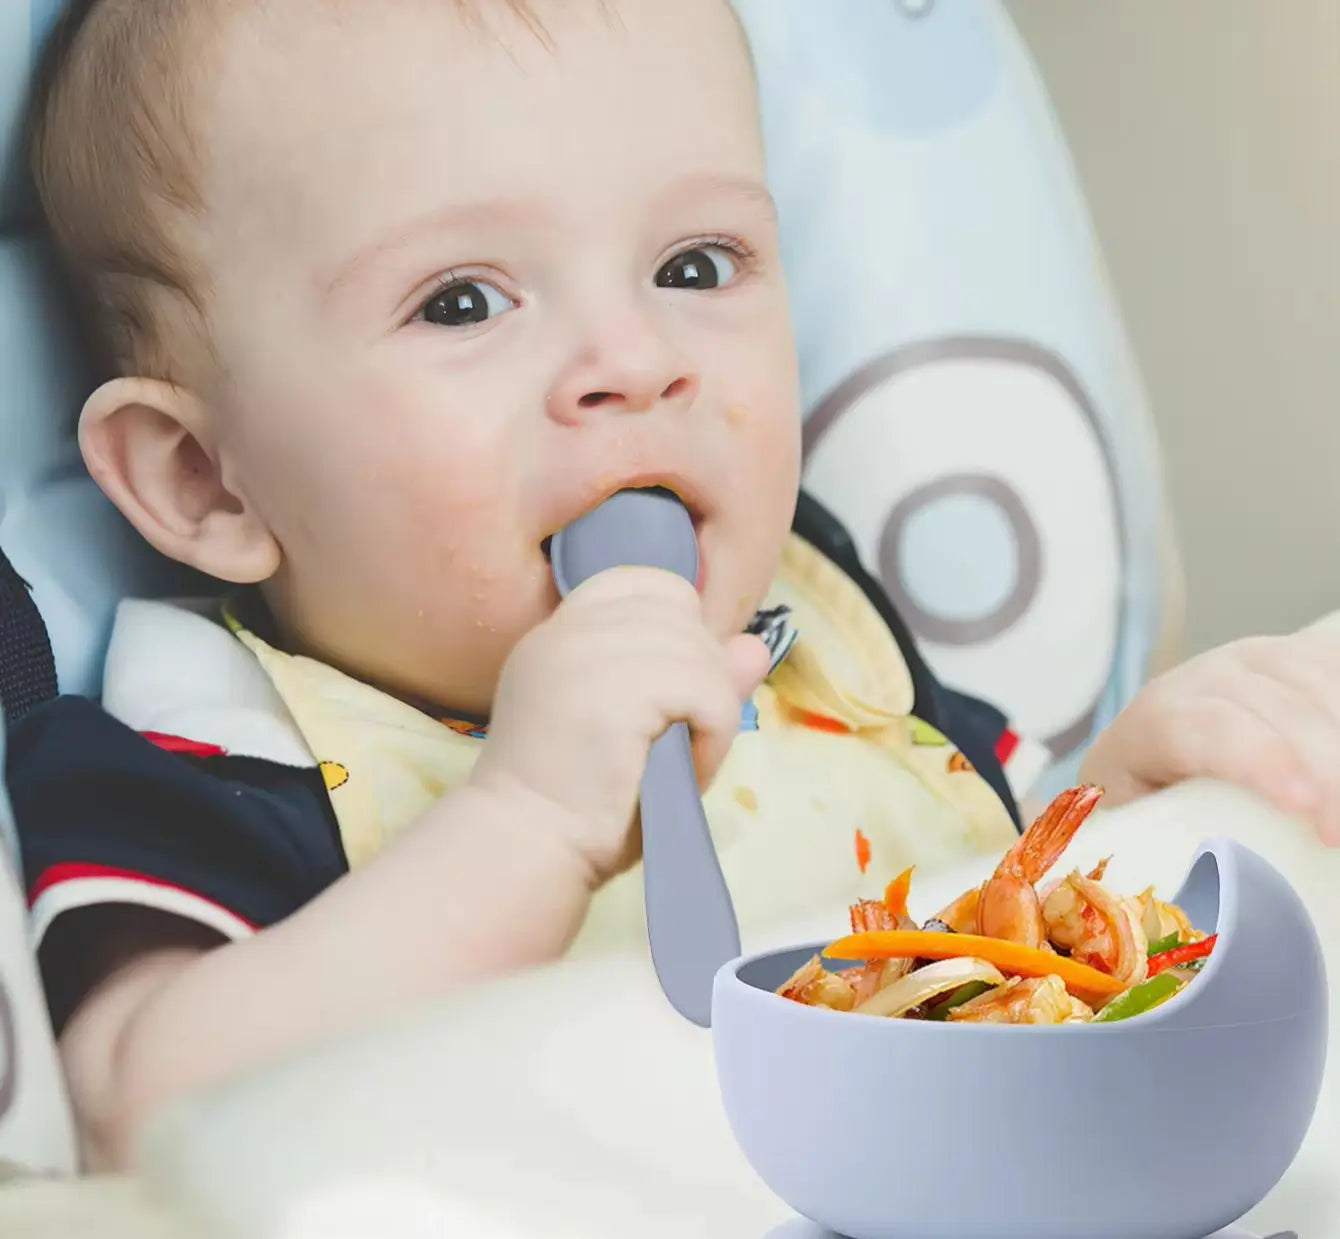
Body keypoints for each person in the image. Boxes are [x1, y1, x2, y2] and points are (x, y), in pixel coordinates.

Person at [10, 0, 1340, 1174]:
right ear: (205, 481)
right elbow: (142, 1116)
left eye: (696, 267)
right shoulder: (204, 756)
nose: (636, 361)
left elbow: (980, 943)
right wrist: (528, 820)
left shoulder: (825, 640)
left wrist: (1132, 812)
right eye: (463, 303)